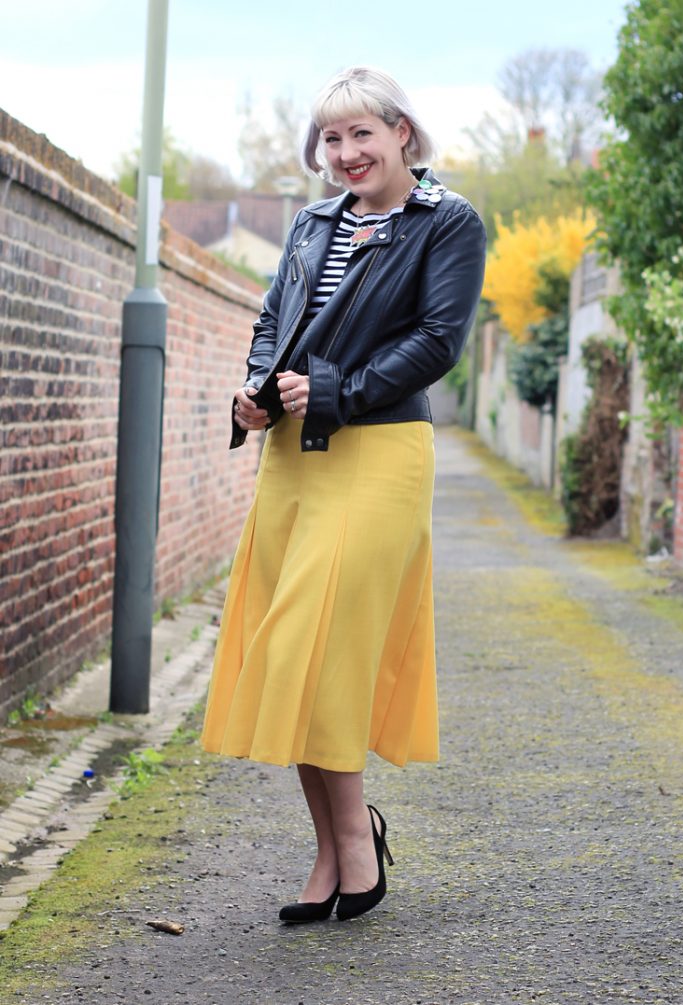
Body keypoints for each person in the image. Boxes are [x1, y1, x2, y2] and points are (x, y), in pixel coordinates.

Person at [200, 66, 486, 923]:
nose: (346, 152)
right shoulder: (311, 222)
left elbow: (439, 340)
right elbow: (273, 322)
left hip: (379, 450)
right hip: (293, 455)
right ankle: (332, 846)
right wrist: (254, 392)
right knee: (291, 651)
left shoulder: (448, 223)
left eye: (362, 132)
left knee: (329, 651)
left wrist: (340, 390)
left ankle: (356, 842)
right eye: (331, 138)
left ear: (403, 131)